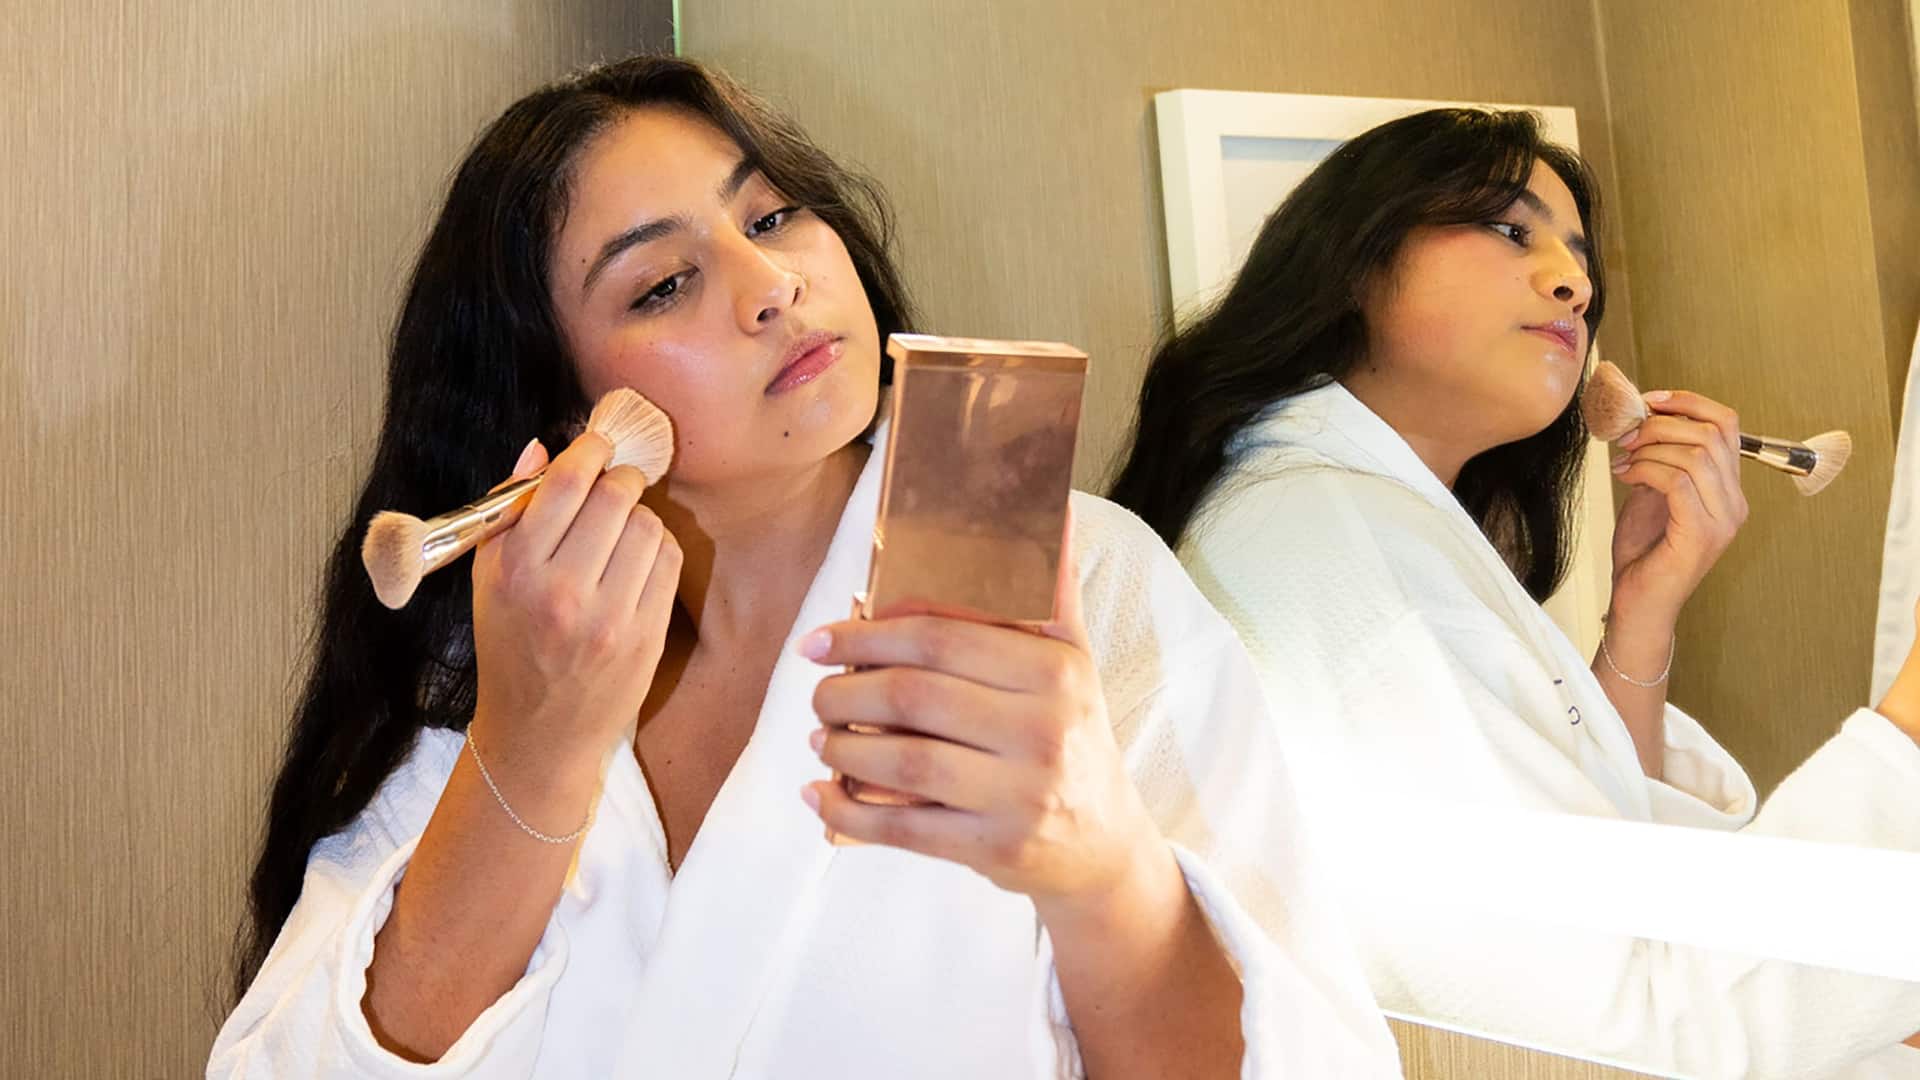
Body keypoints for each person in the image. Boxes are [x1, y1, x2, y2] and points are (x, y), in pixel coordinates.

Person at [210, 55, 1400, 1078]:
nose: (772, 284)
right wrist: (530, 752)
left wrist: (1104, 871)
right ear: (559, 403)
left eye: (773, 217)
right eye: (665, 282)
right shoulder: (494, 656)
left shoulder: (1083, 582)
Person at [1109, 107, 1920, 1078]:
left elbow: (1599, 862)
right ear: (1354, 259)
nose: (1572, 280)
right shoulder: (1322, 545)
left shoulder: (1354, 517)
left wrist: (1644, 610)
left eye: (1578, 258)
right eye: (1509, 230)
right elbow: (1632, 1038)